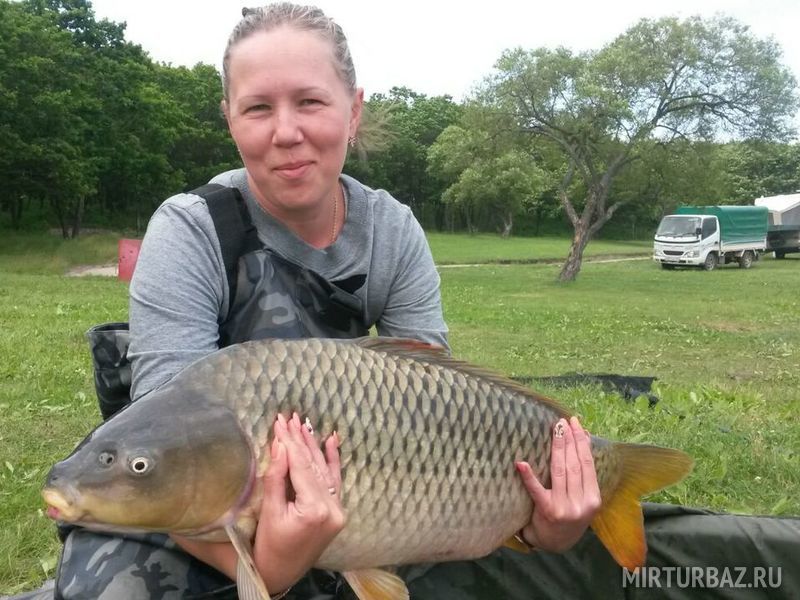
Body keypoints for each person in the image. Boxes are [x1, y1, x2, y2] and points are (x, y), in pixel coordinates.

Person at [54, 3, 601, 598]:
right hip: (212, 520)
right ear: (230, 119)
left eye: (310, 102)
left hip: (373, 489)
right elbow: (171, 453)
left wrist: (544, 527)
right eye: (258, 107)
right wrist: (269, 567)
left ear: (353, 111)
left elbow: (439, 403)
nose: (286, 131)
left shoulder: (391, 230)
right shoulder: (190, 230)